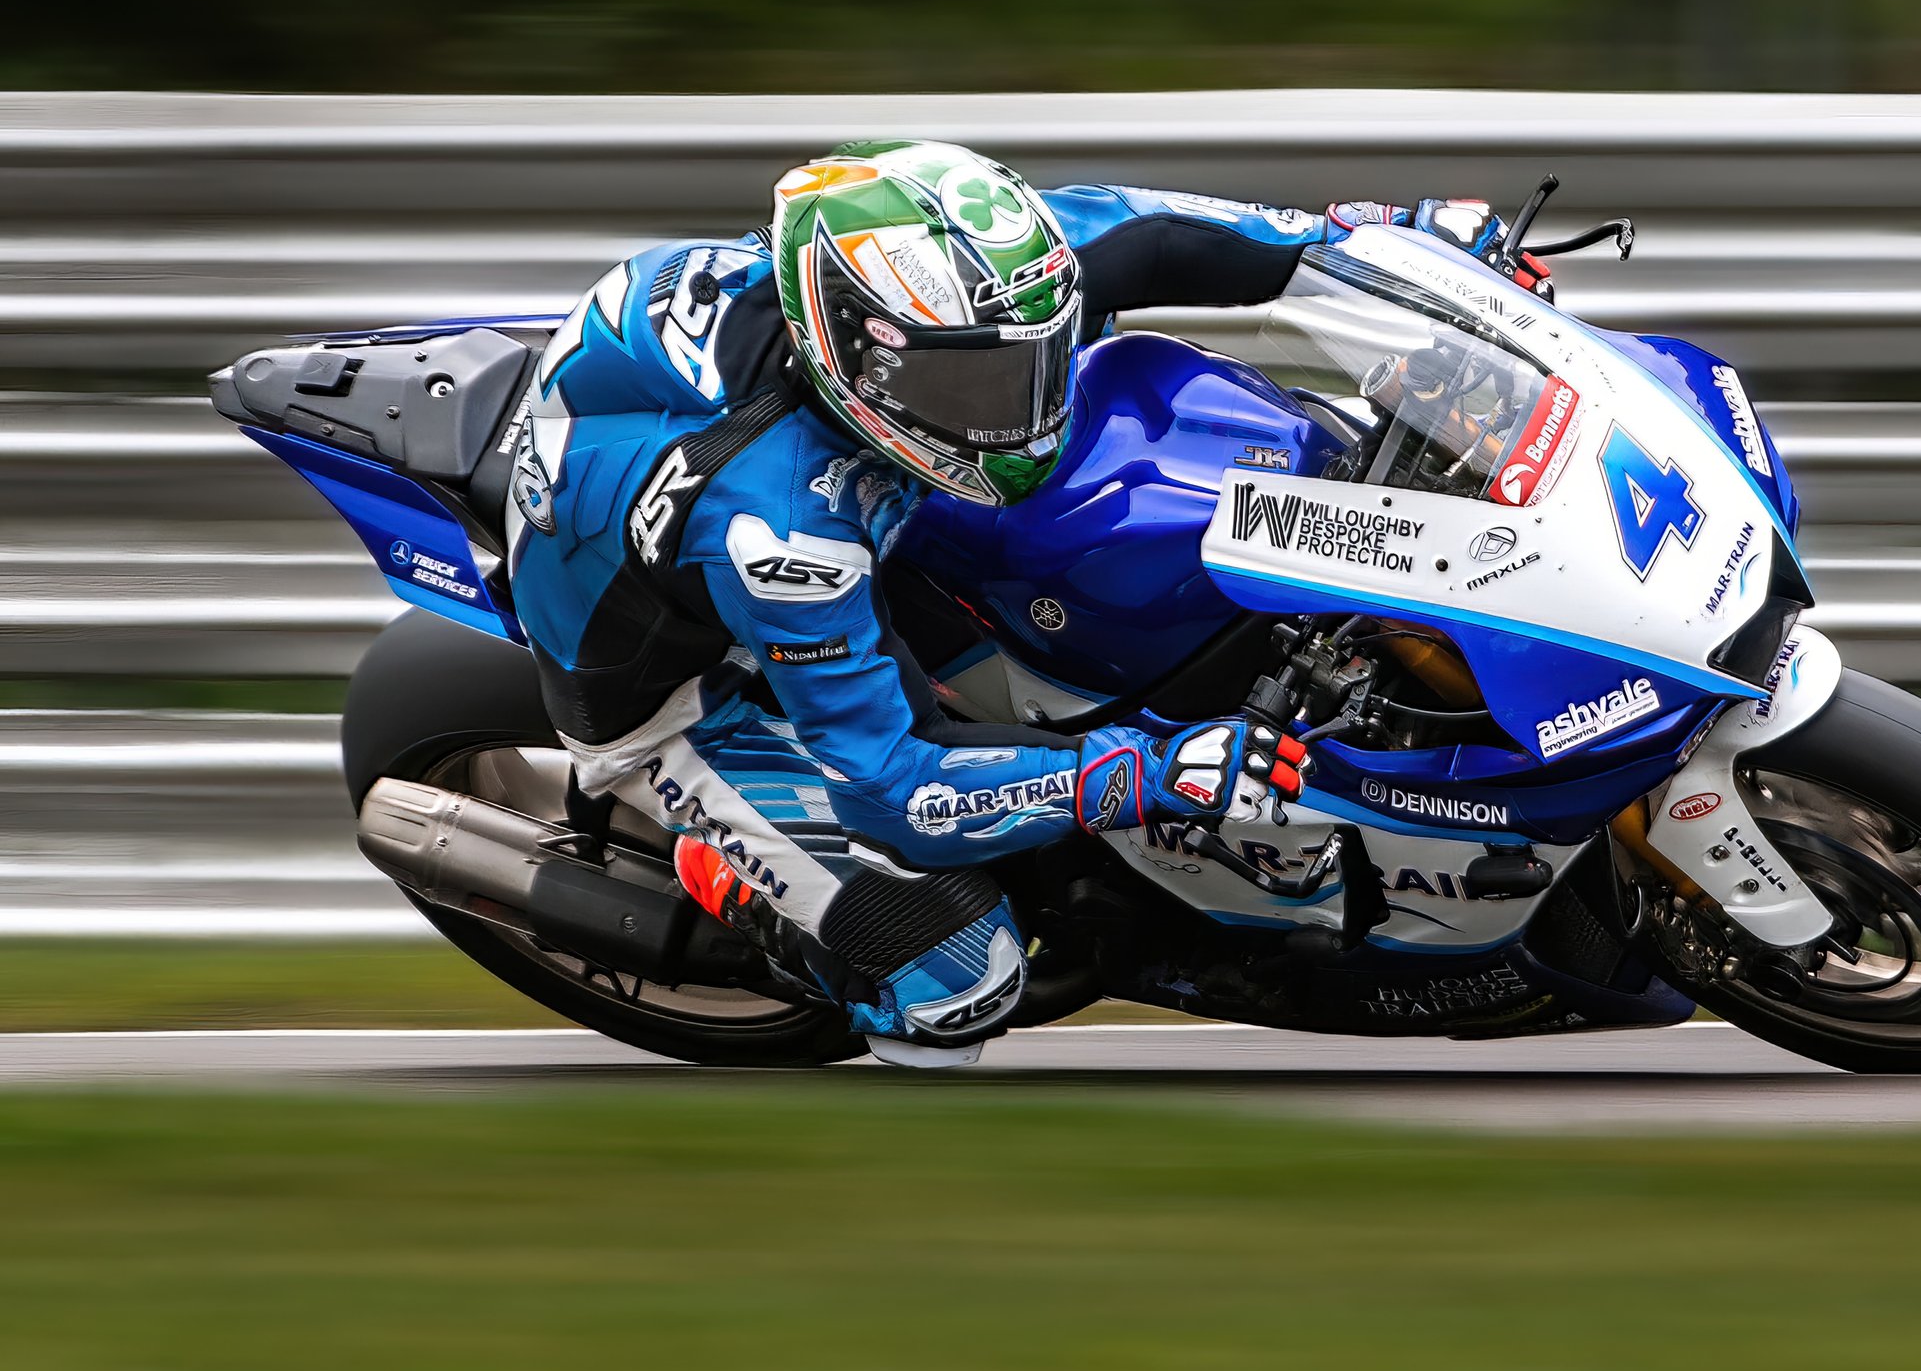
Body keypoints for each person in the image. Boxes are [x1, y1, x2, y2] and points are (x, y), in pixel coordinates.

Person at [504, 140, 1533, 1065]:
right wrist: (1154, 769)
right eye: (983, 389)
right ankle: (725, 876)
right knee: (963, 986)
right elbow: (894, 783)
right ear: (858, 352)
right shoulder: (785, 534)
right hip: (685, 697)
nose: (1028, 411)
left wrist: (1391, 245)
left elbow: (1169, 237)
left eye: (1040, 364)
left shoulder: (967, 290)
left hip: (701, 477)